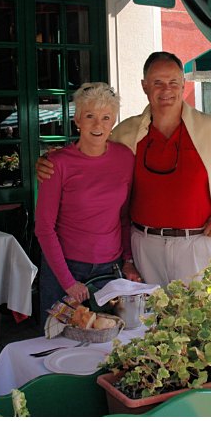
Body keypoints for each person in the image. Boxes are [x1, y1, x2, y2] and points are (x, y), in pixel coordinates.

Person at [38, 52, 211, 287]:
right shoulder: (126, 133)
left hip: (198, 244)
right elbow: (91, 156)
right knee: (147, 321)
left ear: (183, 84)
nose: (166, 90)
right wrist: (49, 162)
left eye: (173, 82)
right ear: (144, 86)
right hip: (143, 246)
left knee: (201, 319)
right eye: (157, 82)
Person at [34, 83, 140, 320]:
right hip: (65, 268)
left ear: (113, 122)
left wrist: (128, 260)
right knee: (59, 345)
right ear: (77, 119)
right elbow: (44, 228)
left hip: (109, 270)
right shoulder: (56, 163)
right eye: (90, 116)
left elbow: (124, 217)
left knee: (108, 345)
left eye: (105, 117)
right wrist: (68, 282)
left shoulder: (125, 158)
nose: (97, 125)